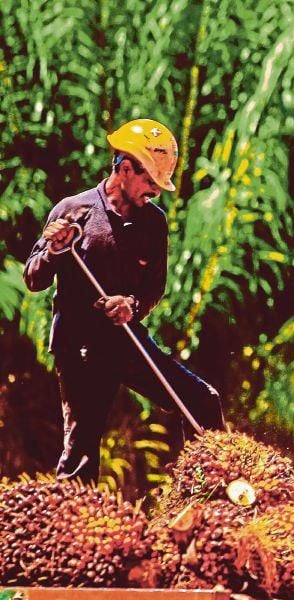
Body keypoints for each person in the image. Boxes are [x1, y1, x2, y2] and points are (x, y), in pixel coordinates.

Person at [23, 118, 225, 483]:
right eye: (150, 181)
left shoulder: (154, 222)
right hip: (79, 349)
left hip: (127, 340)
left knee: (202, 402)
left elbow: (154, 289)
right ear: (126, 168)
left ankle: (213, 497)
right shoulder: (73, 210)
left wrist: (131, 304)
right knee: (81, 453)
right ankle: (72, 531)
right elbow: (34, 278)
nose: (156, 191)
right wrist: (54, 249)